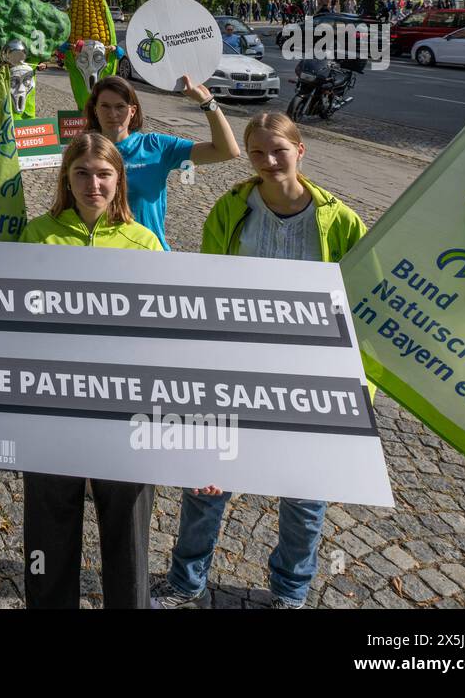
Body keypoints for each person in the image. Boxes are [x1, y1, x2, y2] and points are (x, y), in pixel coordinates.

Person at [151, 112, 368, 610]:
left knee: (304, 497)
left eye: (279, 150)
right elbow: (206, 293)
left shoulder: (339, 219)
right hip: (235, 372)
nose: (269, 161)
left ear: (300, 150)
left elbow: (362, 305)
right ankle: (186, 582)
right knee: (208, 484)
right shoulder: (229, 209)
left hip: (311, 379)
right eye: (257, 153)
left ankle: (290, 592)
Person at [18, 132, 162, 608]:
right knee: (49, 529)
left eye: (103, 175)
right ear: (66, 178)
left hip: (125, 415)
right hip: (52, 410)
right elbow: (7, 311)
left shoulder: (144, 242)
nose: (92, 184)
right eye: (82, 173)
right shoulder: (39, 233)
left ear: (119, 181)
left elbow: (168, 334)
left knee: (128, 536)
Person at [84, 75, 239, 250]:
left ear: (132, 111)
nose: (112, 114)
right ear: (95, 110)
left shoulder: (156, 146)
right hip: (101, 252)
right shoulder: (85, 151)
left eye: (120, 106)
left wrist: (208, 103)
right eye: (105, 106)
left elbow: (227, 151)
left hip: (149, 253)